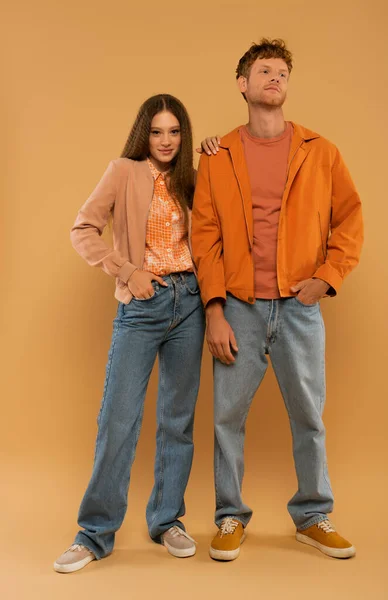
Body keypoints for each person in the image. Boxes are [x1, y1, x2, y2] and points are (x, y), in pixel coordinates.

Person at [192, 38, 363, 561]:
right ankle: (229, 517)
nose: (275, 77)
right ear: (242, 84)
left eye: (282, 71)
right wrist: (215, 309)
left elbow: (349, 220)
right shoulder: (218, 157)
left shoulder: (321, 151)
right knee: (226, 418)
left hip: (299, 308)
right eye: (264, 70)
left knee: (309, 416)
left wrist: (326, 277)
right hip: (239, 307)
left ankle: (313, 516)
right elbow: (206, 238)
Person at [54, 94, 205, 573]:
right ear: (145, 132)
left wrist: (218, 150)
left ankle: (167, 520)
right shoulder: (122, 170)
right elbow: (83, 229)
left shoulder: (192, 178)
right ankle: (94, 533)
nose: (166, 141)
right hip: (142, 304)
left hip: (191, 304)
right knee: (118, 419)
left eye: (175, 132)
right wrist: (126, 271)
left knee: (177, 420)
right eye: (158, 131)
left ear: (184, 135)